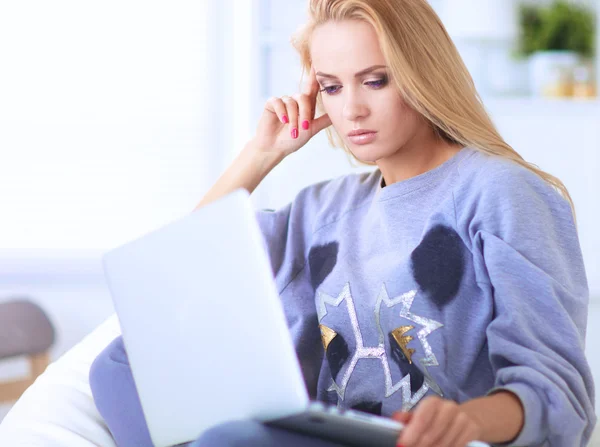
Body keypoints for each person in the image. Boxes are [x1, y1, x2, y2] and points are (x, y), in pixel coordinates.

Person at [89, 0, 597, 446]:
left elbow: (557, 392)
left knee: (229, 440)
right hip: (317, 430)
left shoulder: (499, 191)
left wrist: (465, 422)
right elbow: (177, 272)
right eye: (331, 87)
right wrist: (262, 155)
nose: (352, 109)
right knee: (119, 363)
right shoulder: (321, 209)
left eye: (375, 80)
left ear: (423, 74)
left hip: (420, 441)